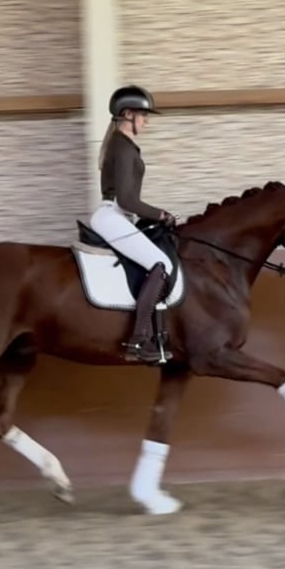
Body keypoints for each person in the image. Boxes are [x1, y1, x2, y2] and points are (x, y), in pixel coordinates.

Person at [90, 84, 178, 364]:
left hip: (117, 215)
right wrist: (160, 214)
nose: (146, 120)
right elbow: (127, 199)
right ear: (127, 114)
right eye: (143, 114)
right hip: (113, 215)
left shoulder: (120, 144)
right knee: (160, 264)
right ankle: (139, 340)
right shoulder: (123, 146)